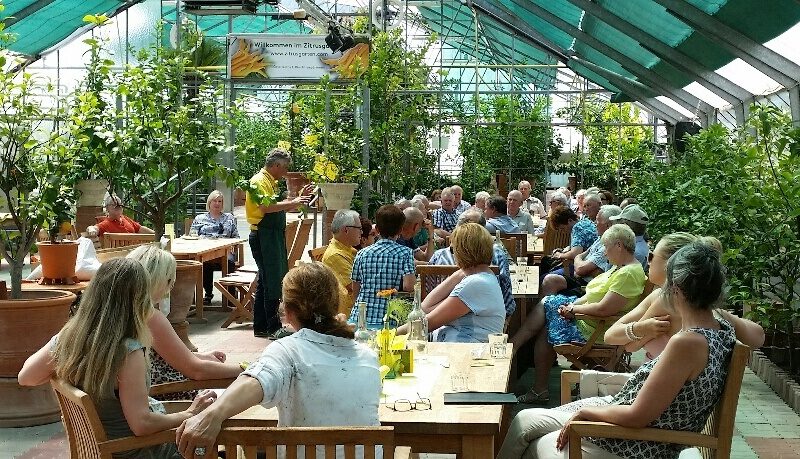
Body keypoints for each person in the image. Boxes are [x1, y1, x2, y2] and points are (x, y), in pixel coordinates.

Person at [498, 242, 737, 459]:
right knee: (524, 422)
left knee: (531, 439)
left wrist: (586, 414)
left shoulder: (688, 342)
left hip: (635, 444)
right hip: (630, 427)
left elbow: (637, 416)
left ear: (675, 288)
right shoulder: (722, 329)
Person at [174, 263, 380, 459]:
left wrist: (212, 415)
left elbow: (257, 381)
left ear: (289, 313)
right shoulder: (368, 357)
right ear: (335, 306)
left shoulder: (288, 351)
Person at [18, 259, 217, 459]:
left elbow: (26, 377)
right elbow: (142, 425)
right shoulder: (128, 352)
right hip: (135, 451)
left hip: (98, 449)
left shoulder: (69, 338)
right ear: (138, 299)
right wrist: (190, 414)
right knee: (208, 437)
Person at [512, 224, 646, 404]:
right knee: (547, 318)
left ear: (619, 246)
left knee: (546, 309)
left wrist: (574, 310)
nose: (605, 253)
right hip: (590, 321)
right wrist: (571, 305)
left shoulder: (628, 274)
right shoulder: (620, 268)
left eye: (606, 248)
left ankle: (515, 351)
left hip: (595, 330)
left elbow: (604, 309)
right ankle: (527, 369)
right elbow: (591, 295)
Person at [605, 233, 764, 360]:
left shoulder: (665, 300)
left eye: (652, 255)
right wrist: (722, 317)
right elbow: (759, 337)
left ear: (672, 263)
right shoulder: (700, 308)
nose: (648, 260)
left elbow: (629, 346)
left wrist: (641, 330)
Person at [126, 245, 243, 401]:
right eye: (169, 281)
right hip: (165, 397)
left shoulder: (126, 311)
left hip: (144, 394)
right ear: (155, 281)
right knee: (237, 397)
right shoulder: (151, 317)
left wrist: (200, 356)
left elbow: (163, 355)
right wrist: (246, 369)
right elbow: (196, 371)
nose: (170, 288)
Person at [246, 148, 313, 339]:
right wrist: (296, 201)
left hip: (270, 235)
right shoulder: (259, 181)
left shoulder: (269, 181)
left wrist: (296, 199)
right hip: (263, 235)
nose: (285, 173)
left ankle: (261, 325)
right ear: (276, 165)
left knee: (266, 281)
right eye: (284, 168)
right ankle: (273, 328)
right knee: (272, 281)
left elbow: (276, 205)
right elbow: (265, 207)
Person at [399, 223, 504, 342]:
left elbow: (425, 324)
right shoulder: (480, 278)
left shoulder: (476, 284)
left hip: (464, 354)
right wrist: (461, 272)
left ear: (462, 251)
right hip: (458, 350)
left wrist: (388, 335)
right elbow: (424, 309)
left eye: (453, 250)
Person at [427, 209, 516, 317]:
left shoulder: (439, 256)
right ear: (483, 233)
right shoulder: (495, 254)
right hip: (483, 321)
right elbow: (508, 304)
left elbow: (426, 299)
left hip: (440, 319)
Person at [348, 205, 416, 328]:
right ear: (401, 230)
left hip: (359, 319)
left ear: (377, 230)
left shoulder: (361, 253)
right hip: (387, 320)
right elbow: (409, 286)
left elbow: (355, 289)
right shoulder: (406, 253)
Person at [539, 205, 622, 297]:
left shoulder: (607, 244)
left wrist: (560, 255)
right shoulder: (593, 230)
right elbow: (582, 253)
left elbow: (576, 256)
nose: (595, 224)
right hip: (582, 271)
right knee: (546, 266)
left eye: (598, 221)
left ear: (608, 225)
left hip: (587, 282)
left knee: (544, 278)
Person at [190, 190, 240, 305]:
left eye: (220, 201)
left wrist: (232, 244)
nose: (217, 203)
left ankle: (230, 296)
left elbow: (236, 237)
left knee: (229, 262)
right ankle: (208, 294)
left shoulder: (229, 218)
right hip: (205, 250)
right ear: (209, 203)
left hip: (225, 250)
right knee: (204, 262)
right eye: (214, 201)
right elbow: (192, 235)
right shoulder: (200, 218)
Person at [322, 209, 362, 316]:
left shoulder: (349, 249)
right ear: (346, 230)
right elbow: (356, 287)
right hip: (348, 315)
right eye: (359, 228)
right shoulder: (334, 255)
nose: (361, 232)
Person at [548, 207, 598, 271]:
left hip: (587, 267)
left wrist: (559, 255)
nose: (563, 232)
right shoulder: (585, 221)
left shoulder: (577, 228)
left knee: (546, 276)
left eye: (563, 228)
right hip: (593, 262)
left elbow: (575, 253)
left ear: (570, 220)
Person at [609, 204, 649, 271]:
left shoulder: (633, 252)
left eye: (619, 222)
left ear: (625, 226)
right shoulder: (639, 247)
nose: (615, 226)